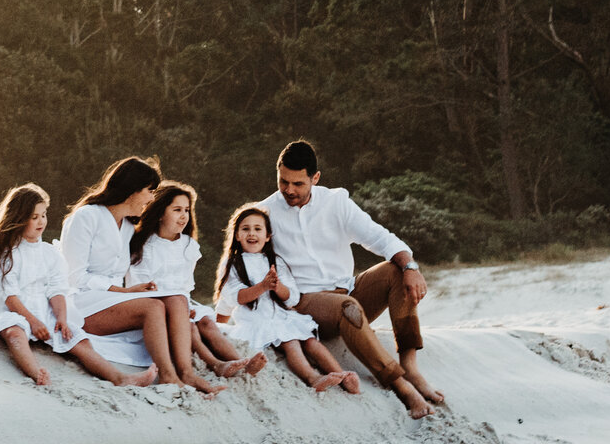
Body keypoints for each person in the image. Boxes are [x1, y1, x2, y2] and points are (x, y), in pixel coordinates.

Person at [257, 139, 439, 418]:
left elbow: (379, 237)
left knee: (395, 270)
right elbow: (243, 261)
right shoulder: (266, 212)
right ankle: (399, 383)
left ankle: (410, 365)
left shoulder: (336, 202)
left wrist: (410, 267)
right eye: (283, 181)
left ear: (315, 178)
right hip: (307, 304)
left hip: (349, 290)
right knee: (347, 308)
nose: (288, 190)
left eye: (298, 184)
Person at [0, 184, 152, 387]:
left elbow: (57, 290)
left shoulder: (50, 253)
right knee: (14, 332)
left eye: (44, 215)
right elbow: (10, 297)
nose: (41, 222)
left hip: (44, 310)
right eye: (34, 217)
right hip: (15, 311)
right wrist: (32, 322)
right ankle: (35, 371)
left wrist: (62, 318)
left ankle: (120, 377)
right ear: (19, 220)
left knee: (77, 339)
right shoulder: (8, 256)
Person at [60, 155, 214, 396]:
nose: (152, 198)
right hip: (81, 302)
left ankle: (187, 373)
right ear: (132, 190)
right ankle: (167, 375)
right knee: (153, 309)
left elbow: (158, 254)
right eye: (149, 191)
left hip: (111, 300)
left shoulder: (129, 226)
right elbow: (73, 277)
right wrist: (124, 292)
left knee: (177, 301)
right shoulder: (86, 216)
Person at [211, 202, 358, 395]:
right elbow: (233, 297)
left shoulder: (275, 262)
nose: (252, 234)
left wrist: (278, 287)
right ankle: (312, 377)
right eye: (245, 229)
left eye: (258, 229)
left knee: (311, 342)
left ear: (267, 235)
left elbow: (292, 298)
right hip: (257, 321)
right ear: (237, 235)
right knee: (292, 343)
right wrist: (262, 286)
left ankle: (341, 375)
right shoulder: (233, 264)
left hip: (281, 317)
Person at [126, 183, 259, 384]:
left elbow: (186, 284)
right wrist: (178, 308)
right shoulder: (145, 246)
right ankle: (215, 363)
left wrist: (186, 305)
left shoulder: (188, 246)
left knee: (206, 322)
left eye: (187, 210)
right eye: (177, 210)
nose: (184, 216)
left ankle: (240, 361)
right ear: (160, 213)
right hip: (157, 304)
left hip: (183, 301)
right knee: (191, 328)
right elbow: (140, 285)